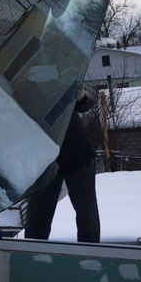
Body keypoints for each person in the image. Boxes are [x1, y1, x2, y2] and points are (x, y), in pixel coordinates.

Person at [24, 85, 101, 243]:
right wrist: (48, 159)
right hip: (47, 162)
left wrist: (82, 97)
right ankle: (33, 252)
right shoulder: (24, 96)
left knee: (87, 215)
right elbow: (24, 133)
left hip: (78, 154)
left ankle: (90, 253)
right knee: (37, 217)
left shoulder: (60, 81)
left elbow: (84, 105)